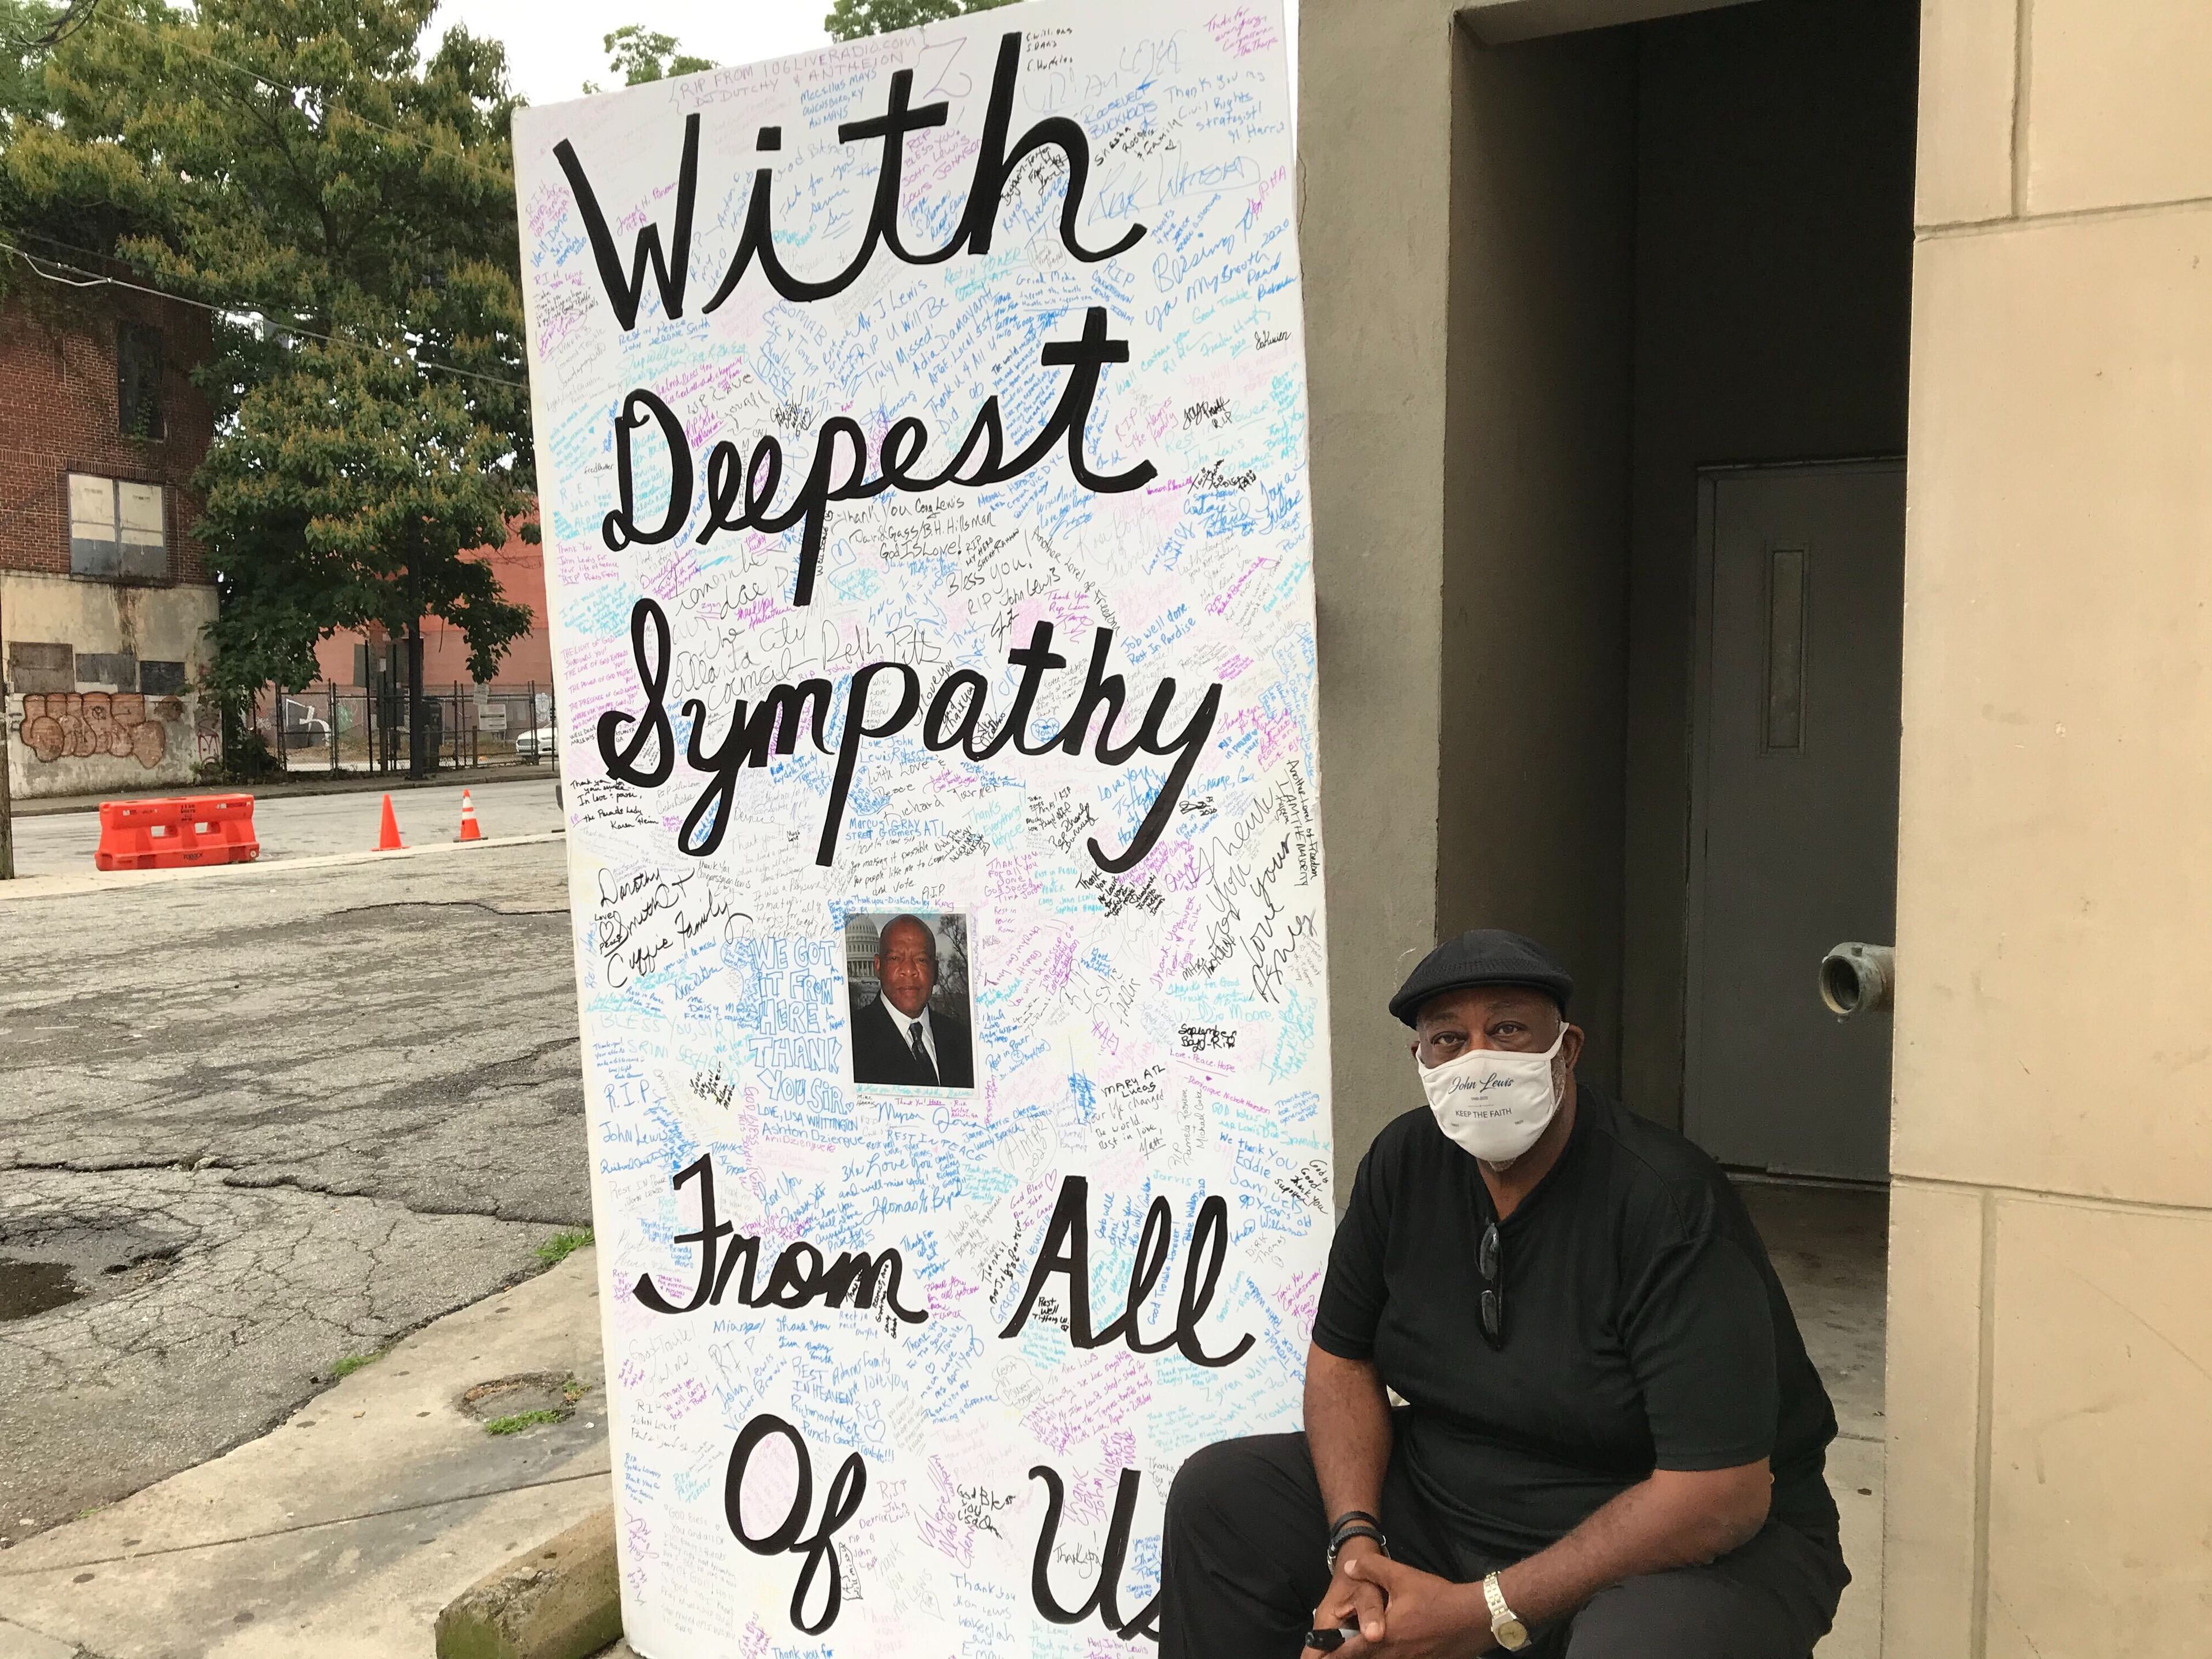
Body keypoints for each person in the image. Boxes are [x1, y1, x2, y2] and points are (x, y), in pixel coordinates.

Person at [1160, 929, 1847, 1658]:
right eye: (1448, 1040)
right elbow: (1341, 1360)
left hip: (1679, 1536)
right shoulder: (1405, 1164)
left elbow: (1719, 1498)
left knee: (1643, 1645)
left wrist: (1481, 1612)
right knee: (1223, 1499)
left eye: (1508, 1029)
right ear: (1420, 1063)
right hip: (1456, 1496)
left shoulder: (1665, 1201)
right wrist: (1355, 1548)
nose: (1478, 1060)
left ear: (1567, 1049)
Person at [849, 913, 975, 1089]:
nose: (909, 971)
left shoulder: (964, 1042)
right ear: (877, 965)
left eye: (921, 960)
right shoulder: (850, 1041)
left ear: (936, 970)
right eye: (895, 959)